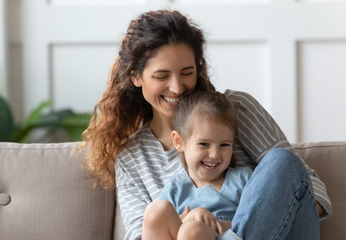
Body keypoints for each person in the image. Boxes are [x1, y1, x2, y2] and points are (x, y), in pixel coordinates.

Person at [81, 9, 331, 240]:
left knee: (281, 161)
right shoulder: (132, 157)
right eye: (162, 76)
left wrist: (241, 221)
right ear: (136, 76)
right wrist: (189, 222)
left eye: (187, 73)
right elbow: (141, 234)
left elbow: (304, 184)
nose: (177, 88)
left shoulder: (234, 109)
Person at [142, 90, 253, 240]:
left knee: (192, 231)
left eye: (224, 145)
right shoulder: (176, 188)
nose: (214, 154)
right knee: (156, 210)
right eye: (204, 144)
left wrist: (216, 224)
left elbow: (259, 224)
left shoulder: (243, 180)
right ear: (179, 142)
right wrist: (190, 218)